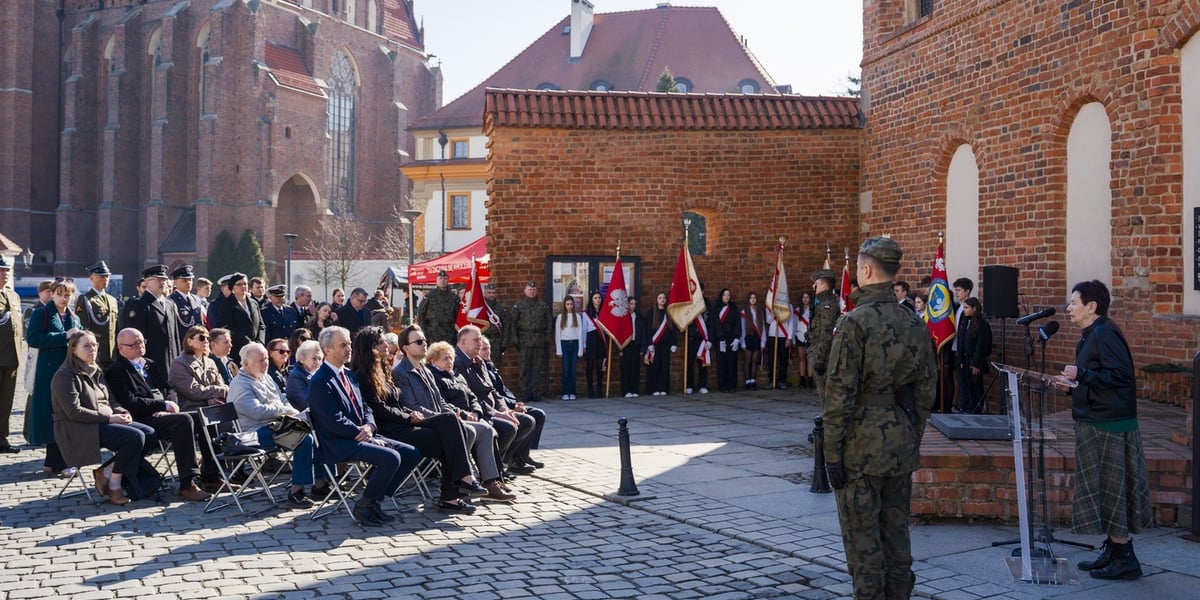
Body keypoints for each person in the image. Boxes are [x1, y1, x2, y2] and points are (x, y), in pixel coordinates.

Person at [822, 237, 937, 600]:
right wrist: (911, 434)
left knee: (863, 544)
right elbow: (926, 388)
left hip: (860, 447)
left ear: (867, 270)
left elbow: (839, 394)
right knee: (897, 536)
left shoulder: (854, 323)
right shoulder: (914, 321)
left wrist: (831, 452)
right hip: (899, 441)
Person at [1055, 280, 1153, 580]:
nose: (1069, 309)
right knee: (1103, 488)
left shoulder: (1104, 333)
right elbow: (1099, 378)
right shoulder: (1091, 334)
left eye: (1074, 303)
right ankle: (1113, 548)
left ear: (1091, 306)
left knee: (1112, 489)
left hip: (1109, 425)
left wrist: (1080, 373)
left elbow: (1121, 376)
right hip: (1096, 421)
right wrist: (1074, 385)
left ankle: (1125, 558)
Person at [351, 326, 484, 514]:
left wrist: (408, 413)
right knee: (448, 438)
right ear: (370, 347)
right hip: (389, 429)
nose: (386, 346)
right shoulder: (363, 375)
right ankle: (456, 490)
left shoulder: (383, 368)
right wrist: (408, 415)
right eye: (381, 343)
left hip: (403, 421)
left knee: (450, 424)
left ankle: (456, 491)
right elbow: (378, 409)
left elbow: (395, 402)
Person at [307, 326, 421, 525]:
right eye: (343, 345)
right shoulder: (320, 380)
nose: (349, 348)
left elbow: (366, 407)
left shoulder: (350, 375)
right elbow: (332, 420)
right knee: (391, 457)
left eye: (349, 344)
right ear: (327, 350)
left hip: (362, 434)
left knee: (411, 453)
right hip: (338, 442)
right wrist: (363, 434)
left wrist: (369, 427)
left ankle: (375, 498)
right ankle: (365, 505)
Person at [392, 325, 514, 502]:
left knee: (485, 429)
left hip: (443, 420)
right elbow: (411, 406)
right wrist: (444, 418)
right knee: (468, 431)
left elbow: (440, 401)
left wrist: (457, 414)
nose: (424, 344)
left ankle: (490, 484)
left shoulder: (425, 370)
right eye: (418, 342)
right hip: (423, 423)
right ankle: (459, 487)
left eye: (424, 340)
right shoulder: (401, 372)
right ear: (405, 348)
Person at [105, 328, 212, 502]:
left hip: (162, 413)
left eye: (141, 342)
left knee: (202, 416)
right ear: (120, 348)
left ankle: (211, 474)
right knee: (183, 421)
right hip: (141, 418)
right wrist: (162, 405)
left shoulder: (149, 363)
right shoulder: (116, 370)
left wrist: (169, 404)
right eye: (133, 344)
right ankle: (187, 483)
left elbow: (168, 388)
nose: (139, 346)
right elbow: (130, 402)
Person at [52, 330, 157, 505]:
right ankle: (114, 485)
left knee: (150, 433)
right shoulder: (65, 375)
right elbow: (74, 411)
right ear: (73, 349)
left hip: (101, 421)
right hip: (78, 428)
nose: (92, 349)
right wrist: (110, 419)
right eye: (86, 346)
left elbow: (111, 400)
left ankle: (107, 472)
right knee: (134, 437)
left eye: (94, 345)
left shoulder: (96, 371)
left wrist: (121, 411)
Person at [229, 342, 317, 508]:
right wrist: (284, 411)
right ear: (246, 364)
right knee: (304, 439)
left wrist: (290, 411)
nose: (265, 364)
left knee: (318, 428)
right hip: (255, 434)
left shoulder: (266, 377)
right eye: (260, 361)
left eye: (265, 359)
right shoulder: (239, 384)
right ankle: (297, 491)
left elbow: (283, 398)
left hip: (277, 426)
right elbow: (257, 411)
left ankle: (321, 484)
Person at [454, 326, 535, 475]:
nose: (480, 343)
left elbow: (493, 391)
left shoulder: (479, 361)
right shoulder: (457, 363)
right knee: (508, 428)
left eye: (480, 339)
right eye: (476, 340)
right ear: (463, 342)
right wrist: (497, 414)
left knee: (527, 421)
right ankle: (490, 471)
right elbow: (470, 397)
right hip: (477, 412)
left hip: (493, 410)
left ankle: (501, 463)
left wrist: (503, 409)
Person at [26, 278, 83, 476]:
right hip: (47, 372)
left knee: (66, 413)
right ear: (52, 294)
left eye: (68, 295)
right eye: (60, 294)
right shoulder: (41, 313)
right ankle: (56, 462)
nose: (64, 299)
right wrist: (63, 336)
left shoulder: (74, 317)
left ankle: (54, 462)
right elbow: (32, 338)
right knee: (51, 414)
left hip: (69, 371)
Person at [168, 325, 229, 493]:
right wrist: (215, 393)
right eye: (201, 338)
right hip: (189, 409)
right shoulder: (179, 363)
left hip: (208, 407)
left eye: (208, 338)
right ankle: (205, 476)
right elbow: (193, 391)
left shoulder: (210, 361)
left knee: (225, 417)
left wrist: (214, 393)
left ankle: (216, 475)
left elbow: (220, 383)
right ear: (189, 340)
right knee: (209, 421)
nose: (206, 341)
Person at [480, 335, 547, 471]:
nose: (488, 352)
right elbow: (493, 394)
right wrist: (512, 406)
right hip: (497, 408)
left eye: (489, 348)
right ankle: (511, 460)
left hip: (508, 403)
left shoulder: (490, 365)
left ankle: (523, 455)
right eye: (484, 349)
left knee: (539, 415)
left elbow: (504, 389)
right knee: (527, 420)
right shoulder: (481, 368)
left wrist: (517, 402)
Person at [120, 265, 183, 384]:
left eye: (164, 280)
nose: (163, 283)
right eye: (159, 280)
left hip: (171, 365)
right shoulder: (139, 305)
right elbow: (135, 338)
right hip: (151, 364)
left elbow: (175, 337)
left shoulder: (170, 304)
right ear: (147, 282)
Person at [511, 280, 552, 402]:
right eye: (530, 289)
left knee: (536, 367)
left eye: (534, 289)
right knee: (524, 368)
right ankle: (525, 392)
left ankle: (535, 392)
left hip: (539, 340)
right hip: (524, 340)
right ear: (525, 291)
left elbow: (549, 323)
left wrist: (546, 337)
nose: (532, 291)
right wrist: (515, 339)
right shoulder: (519, 306)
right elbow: (513, 323)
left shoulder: (542, 306)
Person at [74, 261, 120, 369]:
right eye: (101, 276)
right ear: (91, 278)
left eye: (107, 276)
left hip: (112, 353)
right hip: (95, 352)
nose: (105, 279)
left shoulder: (112, 300)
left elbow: (115, 327)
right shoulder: (85, 299)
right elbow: (83, 327)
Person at [0, 256, 24, 453]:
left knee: (6, 402)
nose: (4, 273)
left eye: (7, 270)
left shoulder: (13, 296)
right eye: (1, 270)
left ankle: (2, 439)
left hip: (12, 359)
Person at [953, 297, 992, 414]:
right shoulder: (965, 322)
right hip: (964, 359)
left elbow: (981, 345)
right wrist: (960, 359)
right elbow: (961, 341)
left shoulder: (981, 324)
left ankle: (977, 408)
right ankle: (966, 406)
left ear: (974, 309)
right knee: (965, 384)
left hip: (974, 360)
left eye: (966, 308)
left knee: (976, 386)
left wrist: (976, 363)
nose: (964, 310)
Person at [217, 273, 265, 361]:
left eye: (245, 284)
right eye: (239, 284)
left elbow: (261, 325)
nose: (243, 286)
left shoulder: (254, 303)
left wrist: (260, 342)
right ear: (232, 287)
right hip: (238, 349)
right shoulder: (227, 304)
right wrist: (247, 341)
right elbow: (228, 327)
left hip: (255, 349)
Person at [809, 269, 839, 398]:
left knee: (825, 389)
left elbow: (826, 333)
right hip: (817, 350)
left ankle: (829, 416)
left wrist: (820, 359)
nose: (813, 287)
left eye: (817, 284)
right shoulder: (821, 303)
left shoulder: (827, 305)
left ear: (824, 286)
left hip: (824, 355)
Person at [416, 270, 460, 346]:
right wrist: (424, 332)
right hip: (432, 335)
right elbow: (421, 315)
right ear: (436, 280)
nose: (443, 280)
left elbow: (458, 317)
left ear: (448, 280)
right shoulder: (429, 296)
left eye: (445, 278)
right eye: (440, 278)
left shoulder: (454, 298)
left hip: (449, 334)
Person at [644, 292, 675, 396]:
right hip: (655, 344)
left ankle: (664, 388)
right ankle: (654, 388)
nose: (662, 300)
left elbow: (673, 330)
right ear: (656, 300)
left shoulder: (669, 313)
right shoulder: (651, 313)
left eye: (664, 298)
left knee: (665, 366)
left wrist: (673, 343)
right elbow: (647, 329)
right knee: (654, 366)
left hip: (665, 344)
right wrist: (649, 343)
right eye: (660, 298)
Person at [554, 296, 585, 399]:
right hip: (564, 344)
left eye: (571, 304)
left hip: (575, 344)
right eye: (567, 304)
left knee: (573, 370)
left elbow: (580, 334)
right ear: (564, 305)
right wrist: (559, 350)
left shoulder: (577, 317)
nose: (569, 306)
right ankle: (565, 392)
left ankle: (572, 392)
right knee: (566, 370)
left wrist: (580, 350)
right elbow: (557, 334)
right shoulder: (560, 317)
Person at [710, 288, 740, 393]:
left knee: (732, 362)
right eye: (724, 295)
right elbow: (715, 325)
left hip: (732, 338)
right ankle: (722, 385)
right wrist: (719, 338)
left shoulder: (734, 309)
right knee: (722, 363)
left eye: (728, 295)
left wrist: (737, 338)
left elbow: (737, 324)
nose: (727, 297)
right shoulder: (716, 309)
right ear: (721, 296)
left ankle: (732, 385)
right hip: (720, 339)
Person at [762, 298, 794, 390]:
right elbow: (768, 321)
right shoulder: (770, 306)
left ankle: (782, 380)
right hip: (773, 334)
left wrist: (789, 337)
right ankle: (772, 380)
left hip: (784, 335)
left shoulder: (788, 306)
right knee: (771, 359)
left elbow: (791, 322)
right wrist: (773, 312)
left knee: (783, 359)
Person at [286, 340, 322, 412]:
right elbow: (306, 403)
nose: (318, 362)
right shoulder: (296, 376)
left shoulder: (318, 374)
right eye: (314, 358)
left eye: (320, 359)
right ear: (302, 359)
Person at [582, 291, 605, 398]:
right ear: (592, 300)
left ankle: (600, 389)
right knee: (590, 366)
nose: (597, 300)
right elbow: (584, 330)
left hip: (601, 339)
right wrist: (584, 345)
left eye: (599, 297)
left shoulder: (605, 312)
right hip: (591, 339)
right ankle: (590, 389)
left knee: (600, 365)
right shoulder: (586, 313)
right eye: (595, 298)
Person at [168, 265, 205, 331]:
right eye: (184, 280)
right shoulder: (171, 300)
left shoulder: (196, 299)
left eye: (190, 280)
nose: (188, 283)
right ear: (175, 282)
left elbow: (200, 323)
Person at [739, 291, 764, 390]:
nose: (753, 299)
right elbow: (742, 328)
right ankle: (747, 381)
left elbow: (762, 328)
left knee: (755, 360)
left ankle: (753, 380)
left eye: (754, 298)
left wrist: (763, 342)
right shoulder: (744, 312)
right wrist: (742, 342)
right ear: (748, 300)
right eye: (751, 298)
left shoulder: (759, 311)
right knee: (747, 360)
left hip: (757, 337)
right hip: (748, 337)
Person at [619, 297, 643, 398]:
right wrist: (620, 348)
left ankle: (634, 389)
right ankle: (626, 390)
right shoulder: (623, 316)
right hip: (626, 345)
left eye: (634, 304)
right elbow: (618, 334)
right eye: (631, 304)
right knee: (626, 369)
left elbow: (642, 332)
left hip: (635, 344)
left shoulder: (638, 317)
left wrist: (642, 347)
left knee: (635, 368)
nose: (633, 306)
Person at [481, 283, 509, 368]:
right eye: (489, 293)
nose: (491, 295)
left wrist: (504, 344)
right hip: (483, 341)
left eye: (493, 293)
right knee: (482, 366)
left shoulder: (500, 308)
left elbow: (506, 326)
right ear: (485, 293)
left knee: (495, 367)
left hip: (496, 342)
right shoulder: (480, 307)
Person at [793, 291, 813, 389]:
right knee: (801, 359)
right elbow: (794, 325)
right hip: (800, 336)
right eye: (804, 297)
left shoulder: (813, 310)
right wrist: (793, 338)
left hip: (810, 337)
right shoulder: (797, 311)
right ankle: (802, 380)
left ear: (810, 299)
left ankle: (810, 380)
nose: (805, 299)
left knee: (810, 359)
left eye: (807, 297)